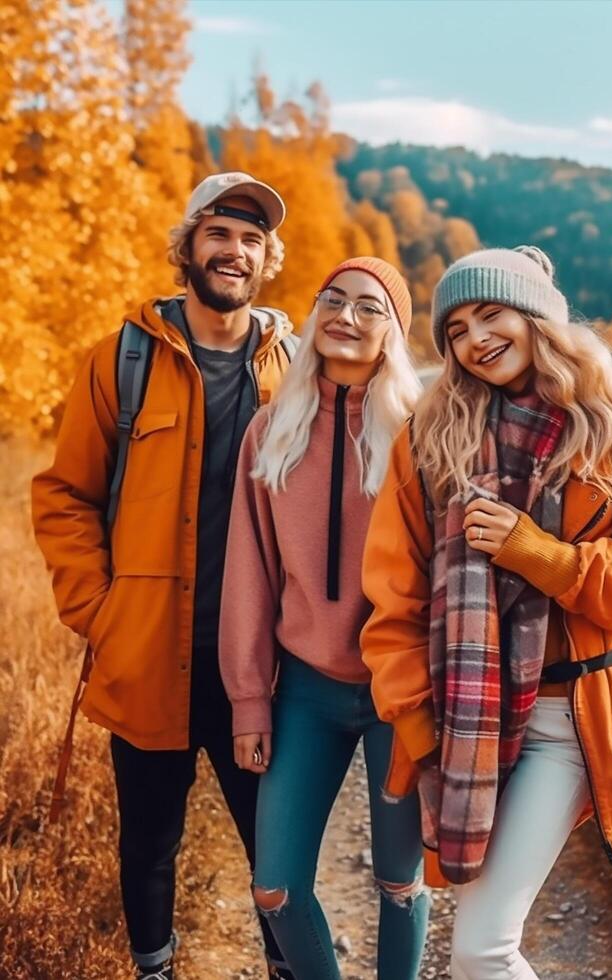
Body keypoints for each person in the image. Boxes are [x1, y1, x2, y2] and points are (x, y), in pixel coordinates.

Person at [361, 245, 612, 980]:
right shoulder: (431, 440)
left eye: (491, 313)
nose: (474, 338)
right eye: (455, 327)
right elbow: (393, 598)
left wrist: (543, 555)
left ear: (537, 318)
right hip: (469, 721)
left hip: (572, 721)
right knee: (482, 941)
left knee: (482, 947)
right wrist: (419, 721)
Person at [32, 172, 298, 980]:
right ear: (187, 247)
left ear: (266, 260)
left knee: (276, 846)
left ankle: (288, 968)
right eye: (219, 234)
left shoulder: (292, 369)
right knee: (148, 840)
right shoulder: (123, 358)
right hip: (146, 653)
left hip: (258, 664)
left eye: (252, 240)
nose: (235, 251)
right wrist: (99, 610)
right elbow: (65, 494)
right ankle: (155, 970)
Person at [219, 257, 429, 980]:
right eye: (332, 299)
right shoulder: (271, 430)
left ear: (393, 332)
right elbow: (248, 573)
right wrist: (250, 698)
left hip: (398, 690)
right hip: (305, 688)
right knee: (275, 887)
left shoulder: (420, 434)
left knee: (399, 884)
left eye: (369, 307)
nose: (345, 315)